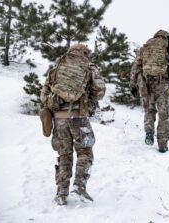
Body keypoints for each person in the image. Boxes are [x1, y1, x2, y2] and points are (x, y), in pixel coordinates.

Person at [40, 44, 106, 205]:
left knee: (64, 154)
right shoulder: (89, 67)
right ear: (84, 53)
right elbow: (100, 91)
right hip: (78, 117)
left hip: (59, 120)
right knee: (85, 151)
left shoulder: (56, 69)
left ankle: (61, 194)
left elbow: (44, 96)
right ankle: (79, 186)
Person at [130, 29, 169, 153]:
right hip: (163, 84)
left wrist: (133, 85)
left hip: (146, 84)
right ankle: (162, 144)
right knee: (163, 115)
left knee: (149, 110)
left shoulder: (145, 47)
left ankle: (149, 132)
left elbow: (136, 66)